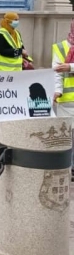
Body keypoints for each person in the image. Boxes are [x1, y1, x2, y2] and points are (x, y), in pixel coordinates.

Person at [52, 19, 74, 181]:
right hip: (66, 101)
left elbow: (66, 68)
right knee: (67, 137)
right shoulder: (60, 47)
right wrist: (56, 91)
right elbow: (56, 72)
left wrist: (71, 67)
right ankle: (68, 167)